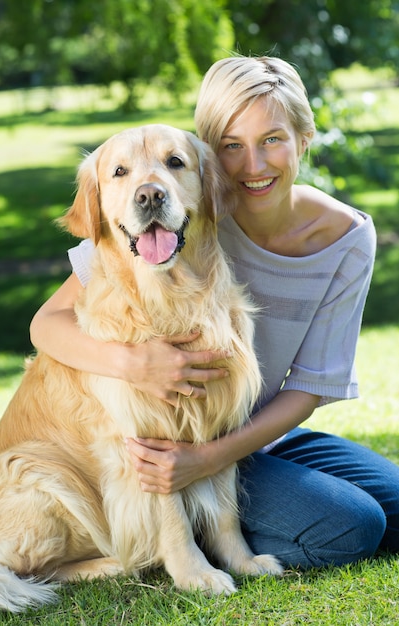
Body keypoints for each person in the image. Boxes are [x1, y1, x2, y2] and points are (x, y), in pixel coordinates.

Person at [30, 55, 399, 570]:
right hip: (188, 433)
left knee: (395, 507)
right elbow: (46, 323)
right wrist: (136, 365)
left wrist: (205, 460)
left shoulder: (347, 238)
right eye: (232, 146)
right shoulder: (174, 222)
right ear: (211, 156)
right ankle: (192, 537)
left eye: (273, 139)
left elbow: (309, 386)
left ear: (305, 137)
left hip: (259, 431)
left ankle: (207, 516)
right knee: (354, 527)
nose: (253, 165)